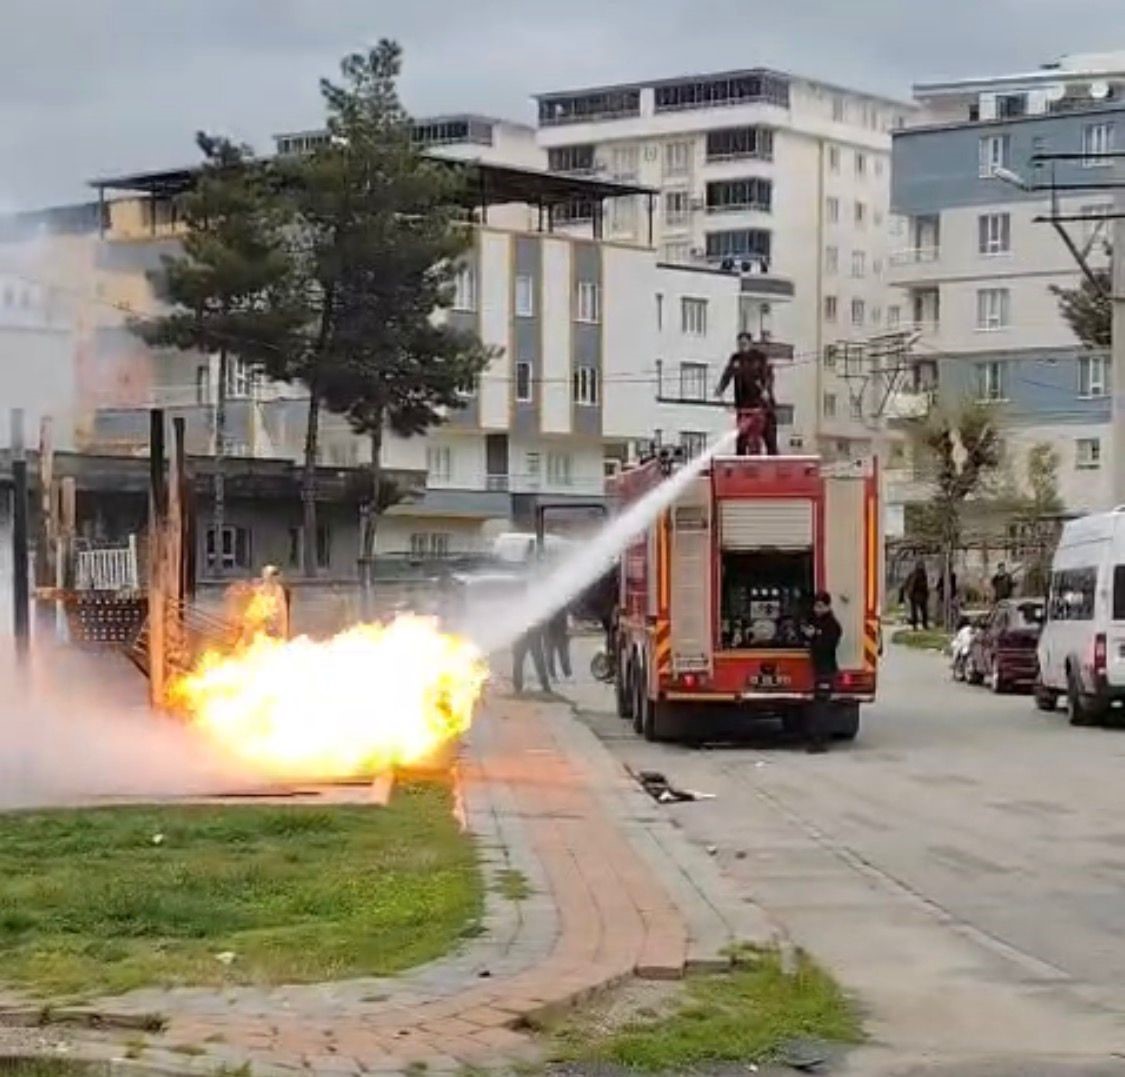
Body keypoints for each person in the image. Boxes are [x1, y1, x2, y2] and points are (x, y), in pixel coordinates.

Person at [715, 332, 778, 456]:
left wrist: (766, 389)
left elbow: (768, 375)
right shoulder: (736, 359)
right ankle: (741, 460)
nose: (742, 346)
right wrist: (720, 389)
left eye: (744, 343)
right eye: (740, 344)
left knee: (769, 438)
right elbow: (727, 374)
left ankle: (773, 460)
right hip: (744, 407)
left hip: (762, 407)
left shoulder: (760, 357)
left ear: (750, 343)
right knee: (742, 439)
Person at [802, 591, 842, 754]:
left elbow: (827, 646)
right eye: (815, 606)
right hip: (819, 669)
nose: (817, 609)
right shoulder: (815, 621)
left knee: (821, 707)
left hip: (826, 670)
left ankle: (819, 742)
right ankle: (817, 739)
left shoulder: (832, 625)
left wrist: (814, 637)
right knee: (818, 705)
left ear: (827, 606)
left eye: (820, 606)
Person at [513, 621, 551, 695]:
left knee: (519, 661)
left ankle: (518, 687)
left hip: (525, 633)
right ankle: (545, 684)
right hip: (528, 633)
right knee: (537, 659)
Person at [545, 605, 572, 681]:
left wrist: (569, 628)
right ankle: (553, 676)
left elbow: (568, 614)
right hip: (549, 632)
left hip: (562, 631)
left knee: (564, 656)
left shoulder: (562, 603)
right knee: (550, 657)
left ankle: (567, 674)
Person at [903, 560, 930, 631]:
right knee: (921, 611)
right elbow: (916, 584)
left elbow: (908, 584)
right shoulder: (919, 574)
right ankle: (921, 625)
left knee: (918, 611)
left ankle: (918, 625)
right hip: (917, 595)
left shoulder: (917, 574)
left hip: (917, 595)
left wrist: (909, 593)